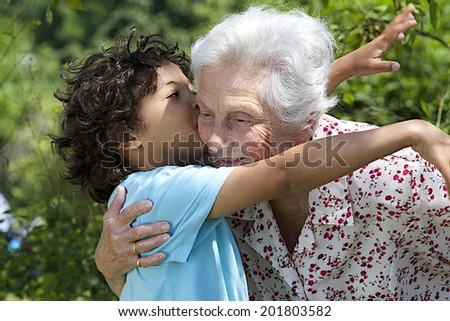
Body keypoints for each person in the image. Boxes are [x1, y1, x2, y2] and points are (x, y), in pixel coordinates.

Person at [51, 27, 449, 301]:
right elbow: (282, 171)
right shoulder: (172, 189)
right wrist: (410, 132)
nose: (196, 107)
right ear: (128, 136)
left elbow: (262, 102)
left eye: (196, 97)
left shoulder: (193, 175)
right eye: (179, 97)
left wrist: (333, 71)